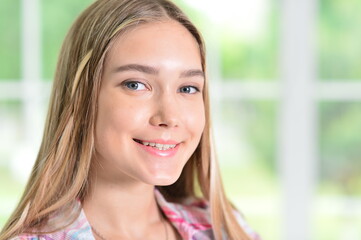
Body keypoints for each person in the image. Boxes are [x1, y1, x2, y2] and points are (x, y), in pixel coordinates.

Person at [0, 0, 261, 239]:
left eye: (187, 88)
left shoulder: (225, 230)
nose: (169, 117)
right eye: (136, 84)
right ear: (81, 99)